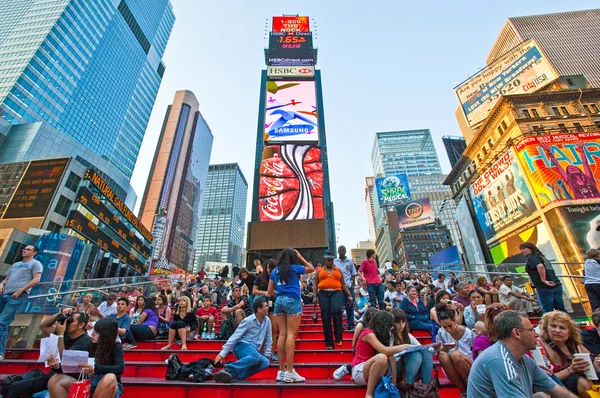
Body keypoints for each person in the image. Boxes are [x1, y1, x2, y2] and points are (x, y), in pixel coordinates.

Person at [467, 310, 575, 397]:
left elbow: (559, 391)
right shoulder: (500, 360)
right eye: (531, 330)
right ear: (517, 333)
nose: (536, 334)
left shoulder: (524, 359)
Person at [268, 248, 314, 383]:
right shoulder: (294, 268)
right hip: (293, 300)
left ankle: (281, 371)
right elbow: (311, 269)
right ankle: (290, 371)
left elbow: (270, 291)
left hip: (279, 302)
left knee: (281, 334)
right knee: (290, 335)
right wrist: (300, 256)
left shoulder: (274, 271)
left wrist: (281, 294)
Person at [537, 310, 599, 397]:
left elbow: (595, 366)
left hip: (576, 381)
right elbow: (544, 380)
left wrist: (589, 362)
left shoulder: (573, 343)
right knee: (583, 384)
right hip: (554, 386)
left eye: (562, 328)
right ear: (546, 328)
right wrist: (571, 370)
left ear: (569, 332)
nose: (557, 330)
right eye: (553, 326)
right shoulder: (540, 345)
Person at [350, 311, 411, 397]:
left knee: (388, 357)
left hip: (374, 369)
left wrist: (393, 384)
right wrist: (405, 346)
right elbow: (384, 350)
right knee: (382, 357)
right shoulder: (368, 333)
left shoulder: (381, 334)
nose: (392, 327)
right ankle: (369, 394)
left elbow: (390, 356)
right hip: (360, 369)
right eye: (390, 325)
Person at [214, 297, 273, 382]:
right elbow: (235, 336)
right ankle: (227, 369)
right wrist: (223, 353)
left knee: (265, 363)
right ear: (259, 309)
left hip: (254, 350)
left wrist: (267, 354)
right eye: (266, 306)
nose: (268, 308)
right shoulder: (248, 321)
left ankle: (233, 375)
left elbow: (268, 338)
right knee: (256, 357)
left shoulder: (267, 321)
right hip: (241, 346)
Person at [0, 244, 42, 359]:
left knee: (2, 322)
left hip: (17, 295)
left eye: (28, 249)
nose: (25, 250)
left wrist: (21, 290)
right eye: (24, 249)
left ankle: (0, 353)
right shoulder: (15, 264)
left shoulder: (35, 264)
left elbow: (37, 279)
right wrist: (1, 285)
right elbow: (6, 280)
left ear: (34, 253)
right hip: (5, 294)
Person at [42, 310, 93, 398]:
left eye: (71, 321)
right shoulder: (67, 334)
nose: (67, 323)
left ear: (81, 325)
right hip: (57, 373)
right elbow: (43, 326)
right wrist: (60, 314)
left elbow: (65, 360)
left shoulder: (86, 341)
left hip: (74, 379)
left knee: (55, 381)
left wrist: (60, 335)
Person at [314, 252, 352, 349]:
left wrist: (349, 295)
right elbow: (315, 284)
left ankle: (338, 338)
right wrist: (315, 296)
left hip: (336, 292)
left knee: (337, 312)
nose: (330, 262)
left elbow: (343, 284)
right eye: (328, 260)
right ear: (325, 261)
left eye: (331, 260)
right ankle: (329, 343)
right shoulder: (319, 271)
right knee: (325, 316)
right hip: (323, 293)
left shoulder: (338, 271)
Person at [78, 318, 125, 398]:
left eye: (96, 332)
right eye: (93, 331)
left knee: (110, 377)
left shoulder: (116, 346)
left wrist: (95, 369)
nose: (92, 334)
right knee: (57, 380)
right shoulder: (89, 343)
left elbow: (120, 368)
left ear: (105, 334)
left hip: (108, 383)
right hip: (88, 381)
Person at [392, 309, 437, 389]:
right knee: (415, 355)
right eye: (397, 322)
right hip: (395, 369)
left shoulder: (408, 336)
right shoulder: (389, 336)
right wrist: (404, 349)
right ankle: (408, 387)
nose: (401, 325)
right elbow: (389, 355)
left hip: (411, 369)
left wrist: (435, 349)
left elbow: (423, 350)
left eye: (403, 322)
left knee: (425, 351)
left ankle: (427, 388)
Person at [436, 303, 474, 395]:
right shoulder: (441, 332)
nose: (448, 329)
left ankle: (471, 390)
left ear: (455, 321)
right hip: (452, 367)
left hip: (467, 364)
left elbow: (476, 350)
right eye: (445, 327)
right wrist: (442, 348)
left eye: (450, 326)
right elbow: (439, 349)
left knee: (455, 354)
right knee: (442, 355)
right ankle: (464, 392)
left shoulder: (467, 332)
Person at [520, 242, 566, 313]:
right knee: (561, 310)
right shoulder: (541, 257)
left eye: (524, 248)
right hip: (556, 285)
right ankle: (569, 323)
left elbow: (540, 266)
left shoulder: (531, 257)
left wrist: (543, 280)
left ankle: (549, 323)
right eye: (521, 249)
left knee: (548, 311)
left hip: (544, 287)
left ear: (531, 248)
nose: (522, 251)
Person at [252, 258, 278, 360]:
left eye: (271, 268)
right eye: (267, 267)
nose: (269, 270)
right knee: (260, 328)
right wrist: (265, 293)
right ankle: (259, 351)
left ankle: (271, 352)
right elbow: (254, 291)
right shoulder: (260, 277)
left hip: (274, 304)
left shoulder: (278, 277)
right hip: (262, 304)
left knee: (273, 328)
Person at [335, 245, 357, 330]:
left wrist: (351, 282)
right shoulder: (334, 262)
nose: (341, 252)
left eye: (343, 250)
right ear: (338, 251)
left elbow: (353, 274)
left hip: (348, 286)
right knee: (339, 306)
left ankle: (350, 324)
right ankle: (340, 325)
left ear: (345, 251)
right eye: (340, 250)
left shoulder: (350, 262)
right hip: (338, 286)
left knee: (350, 305)